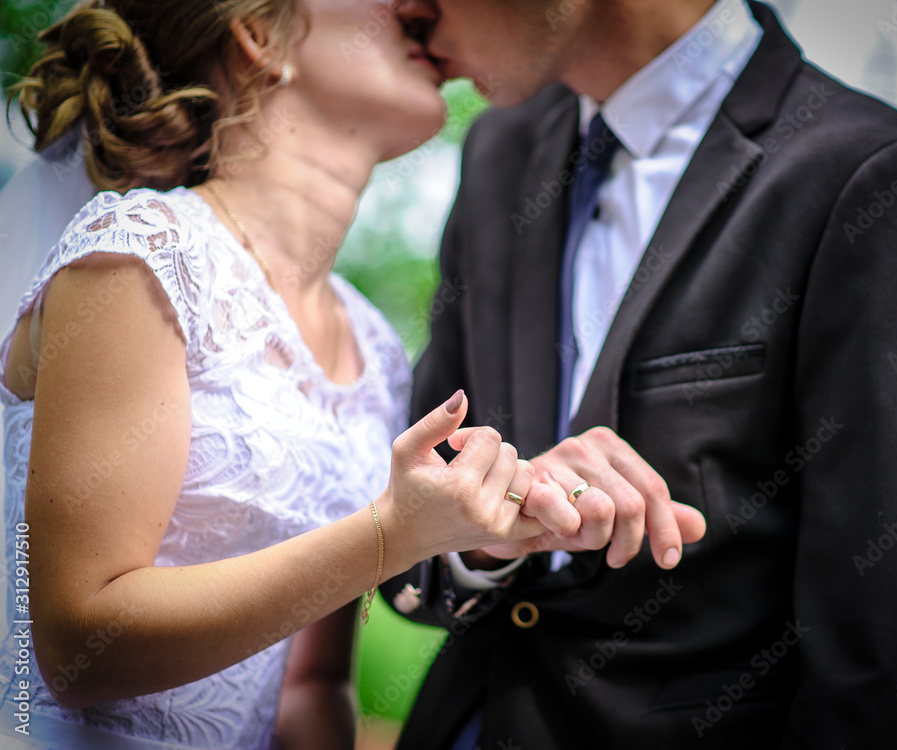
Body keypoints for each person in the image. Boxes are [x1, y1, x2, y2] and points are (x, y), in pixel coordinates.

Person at [383, 0, 897, 747]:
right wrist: (485, 540)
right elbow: (412, 540)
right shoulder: (498, 152)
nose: (402, 8)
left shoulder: (872, 180)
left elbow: (878, 666)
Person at [0, 1, 592, 747]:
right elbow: (76, 651)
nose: (419, 6)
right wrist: (390, 535)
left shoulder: (369, 344)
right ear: (258, 34)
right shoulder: (140, 257)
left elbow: (312, 687)